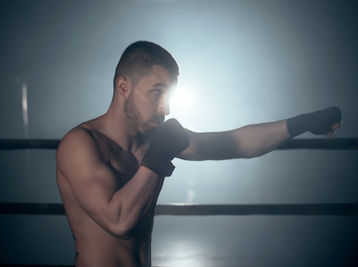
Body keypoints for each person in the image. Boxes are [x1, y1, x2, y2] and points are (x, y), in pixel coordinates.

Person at [55, 41, 341, 267]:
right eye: (157, 92)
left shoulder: (153, 139)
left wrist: (301, 123)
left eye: (169, 97)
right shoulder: (80, 144)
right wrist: (159, 155)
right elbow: (119, 221)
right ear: (123, 87)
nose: (166, 109)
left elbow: (236, 143)